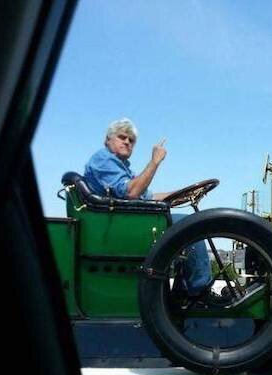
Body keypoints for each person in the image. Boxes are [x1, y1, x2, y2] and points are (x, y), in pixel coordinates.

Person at [84, 118, 212, 298]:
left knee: (184, 223)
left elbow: (148, 196)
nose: (127, 142)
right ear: (108, 140)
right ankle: (200, 291)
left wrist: (184, 192)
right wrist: (155, 161)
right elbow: (132, 193)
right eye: (122, 137)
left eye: (131, 140)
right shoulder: (103, 159)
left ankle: (182, 291)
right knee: (190, 225)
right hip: (119, 226)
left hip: (124, 222)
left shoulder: (121, 169)